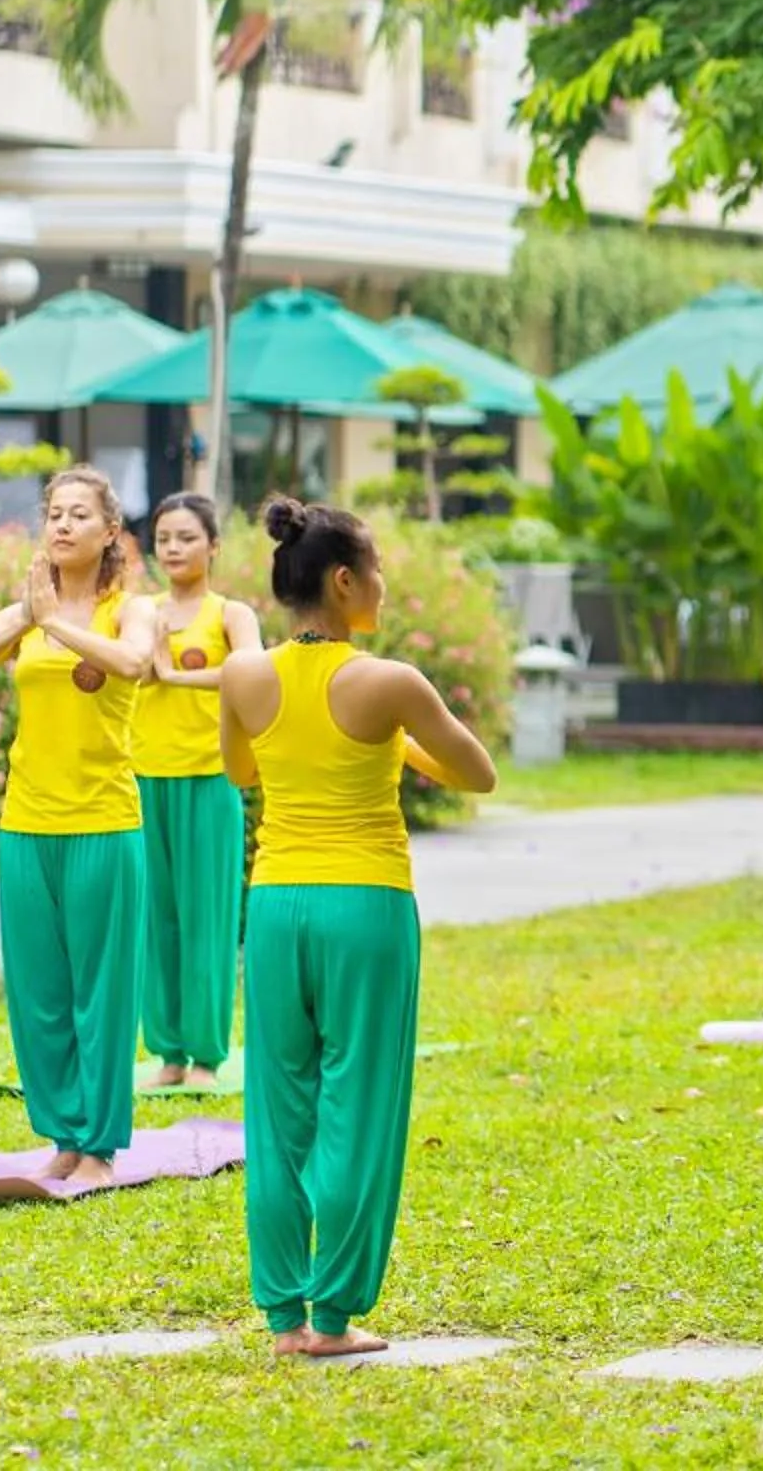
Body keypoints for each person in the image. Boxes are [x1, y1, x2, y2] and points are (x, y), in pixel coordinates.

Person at [219, 498, 496, 1359]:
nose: (381, 584)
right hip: (365, 903)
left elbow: (241, 770)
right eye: (373, 571)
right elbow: (476, 772)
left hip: (273, 905)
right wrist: (401, 746)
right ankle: (332, 1319)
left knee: (279, 1107)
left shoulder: (244, 675)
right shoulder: (389, 682)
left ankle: (282, 1318)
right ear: (343, 582)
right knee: (357, 1103)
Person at [0, 467, 155, 1185]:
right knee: (41, 992)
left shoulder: (130, 609)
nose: (61, 525)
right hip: (27, 821)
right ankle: (65, 1133)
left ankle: (100, 1146)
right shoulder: (26, 612)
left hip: (103, 820)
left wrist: (54, 621)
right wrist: (27, 621)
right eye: (53, 514)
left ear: (110, 532)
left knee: (101, 989)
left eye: (78, 515)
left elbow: (133, 663)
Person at [129, 493, 265, 1090]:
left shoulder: (229, 614)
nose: (173, 549)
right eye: (163, 538)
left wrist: (175, 672)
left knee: (207, 918)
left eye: (186, 537)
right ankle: (168, 1053)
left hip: (209, 779)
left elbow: (256, 671)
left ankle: (208, 1055)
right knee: (155, 921)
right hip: (142, 779)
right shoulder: (141, 611)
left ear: (213, 545)